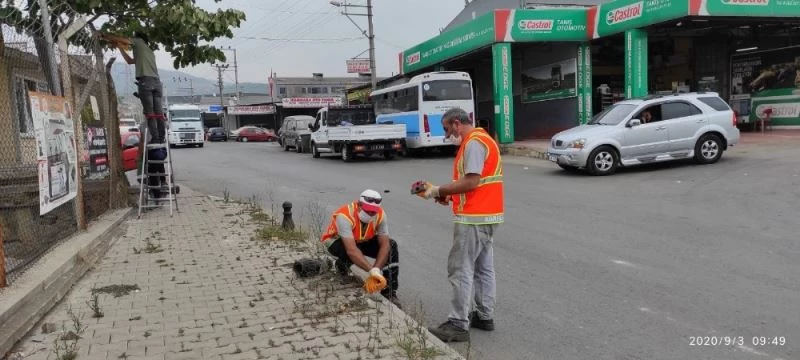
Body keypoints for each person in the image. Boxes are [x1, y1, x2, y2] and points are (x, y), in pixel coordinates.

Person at [416, 107, 503, 343]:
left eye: (446, 129)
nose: (446, 135)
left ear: (456, 123)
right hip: (488, 215)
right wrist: (446, 196)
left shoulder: (473, 142)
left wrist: (438, 190)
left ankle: (457, 324)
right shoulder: (483, 139)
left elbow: (472, 181)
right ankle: (484, 316)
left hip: (473, 219)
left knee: (460, 268)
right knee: (484, 268)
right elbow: (475, 185)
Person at [321, 190, 400, 306]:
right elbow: (352, 250)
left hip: (360, 241)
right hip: (336, 242)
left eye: (373, 212)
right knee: (352, 250)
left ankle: (389, 291)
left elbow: (384, 244)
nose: (370, 215)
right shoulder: (344, 215)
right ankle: (341, 265)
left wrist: (377, 269)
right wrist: (371, 270)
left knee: (391, 245)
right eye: (367, 211)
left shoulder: (380, 214)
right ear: (359, 204)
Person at [102, 31, 166, 144]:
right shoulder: (148, 52)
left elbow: (124, 39)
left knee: (150, 113)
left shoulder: (139, 42)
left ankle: (155, 138)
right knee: (159, 113)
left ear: (138, 38)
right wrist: (120, 47)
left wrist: (105, 36)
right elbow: (130, 61)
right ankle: (161, 137)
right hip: (157, 83)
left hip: (146, 82)